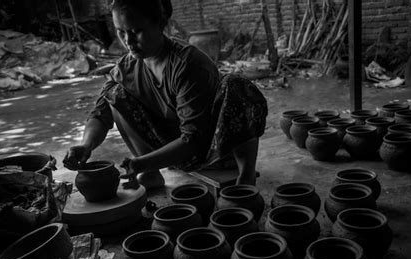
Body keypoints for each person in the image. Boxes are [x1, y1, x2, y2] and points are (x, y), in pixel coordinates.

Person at [63, 0, 267, 188]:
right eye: (120, 32)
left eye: (136, 31)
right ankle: (152, 174)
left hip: (216, 149)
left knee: (237, 85)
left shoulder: (187, 65)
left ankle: (246, 176)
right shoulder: (126, 67)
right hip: (175, 151)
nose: (128, 41)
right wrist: (85, 146)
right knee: (113, 92)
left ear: (160, 24)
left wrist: (141, 164)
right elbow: (101, 113)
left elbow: (194, 140)